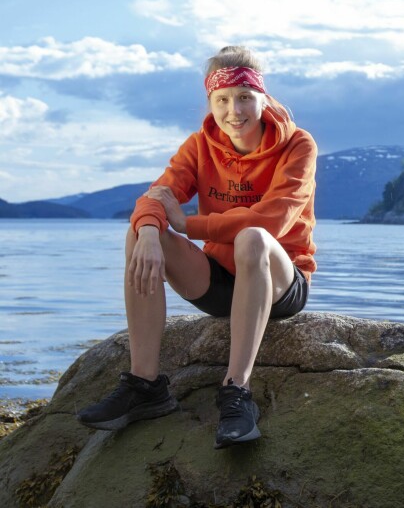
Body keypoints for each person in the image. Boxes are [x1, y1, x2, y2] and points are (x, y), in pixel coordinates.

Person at [77, 46, 317, 449]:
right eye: (222, 100)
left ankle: (237, 390)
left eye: (244, 97)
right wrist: (150, 231)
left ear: (263, 97)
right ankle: (145, 386)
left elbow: (272, 222)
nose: (233, 111)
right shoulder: (200, 145)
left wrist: (189, 225)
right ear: (210, 102)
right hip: (221, 283)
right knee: (139, 233)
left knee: (253, 237)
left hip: (279, 283)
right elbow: (156, 196)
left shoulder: (298, 145)